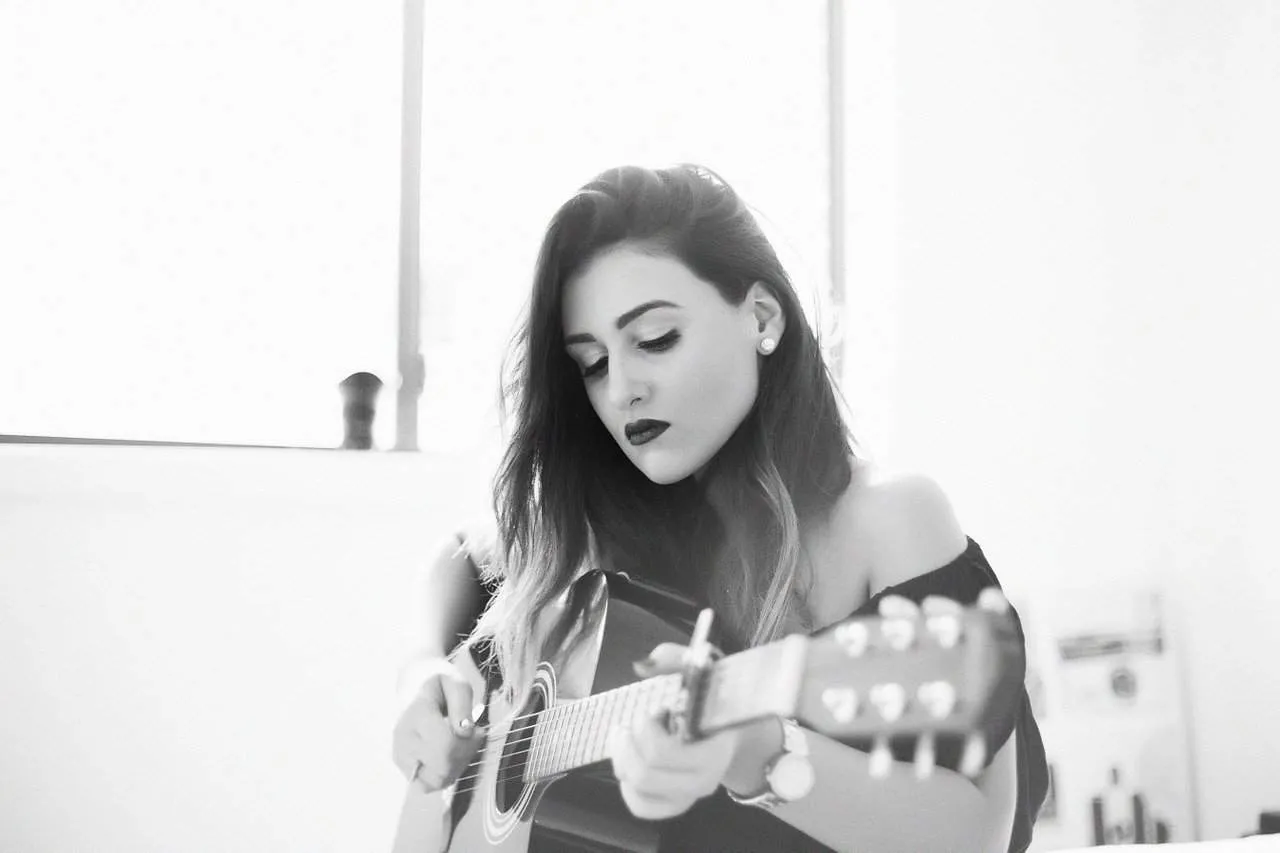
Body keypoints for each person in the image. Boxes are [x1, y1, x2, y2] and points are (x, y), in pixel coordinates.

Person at [392, 164, 1048, 852]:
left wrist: (757, 749)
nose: (620, 390)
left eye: (654, 340)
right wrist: (425, 670)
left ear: (762, 316)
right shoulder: (589, 534)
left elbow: (976, 832)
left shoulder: (888, 520)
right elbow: (462, 559)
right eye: (591, 362)